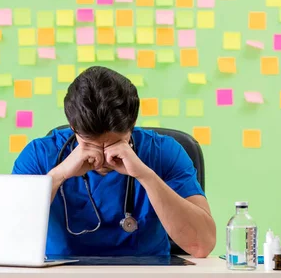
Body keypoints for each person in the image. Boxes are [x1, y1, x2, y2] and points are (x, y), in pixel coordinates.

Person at [12, 66, 216, 257]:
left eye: (116, 143)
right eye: (89, 143)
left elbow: (201, 245)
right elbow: (9, 237)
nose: (103, 157)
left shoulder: (165, 153)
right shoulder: (38, 155)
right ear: (73, 126)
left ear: (132, 125)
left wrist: (146, 176)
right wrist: (59, 175)